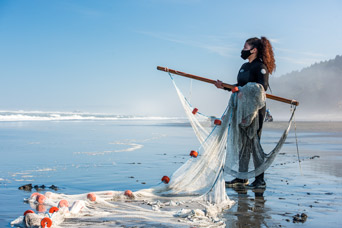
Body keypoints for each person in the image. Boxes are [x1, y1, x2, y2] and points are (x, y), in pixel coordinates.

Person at [214, 36, 276, 189]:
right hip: (241, 109)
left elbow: (262, 87)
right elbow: (239, 86)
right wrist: (224, 86)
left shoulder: (260, 66)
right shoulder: (244, 66)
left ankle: (260, 180)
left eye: (245, 48)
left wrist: (241, 90)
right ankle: (242, 178)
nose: (243, 50)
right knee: (242, 143)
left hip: (255, 110)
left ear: (254, 50)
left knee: (254, 143)